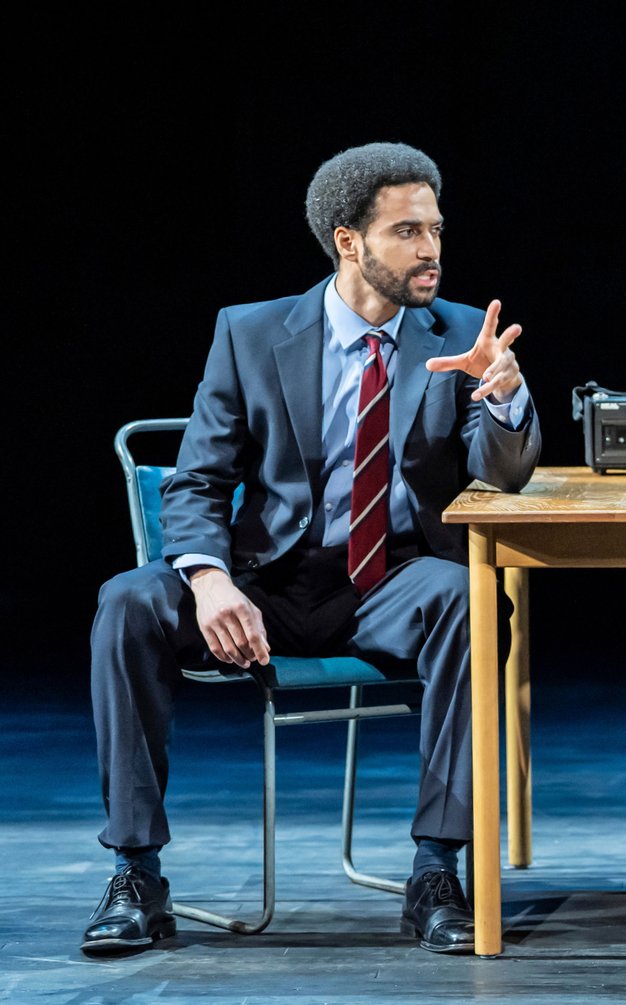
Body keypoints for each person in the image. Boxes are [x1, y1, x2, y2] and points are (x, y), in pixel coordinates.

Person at [83, 141, 540, 956]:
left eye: (436, 229)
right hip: (265, 584)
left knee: (473, 595)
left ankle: (437, 868)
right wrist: (210, 577)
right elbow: (196, 480)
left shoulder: (464, 332)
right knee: (127, 600)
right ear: (349, 240)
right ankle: (136, 872)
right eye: (407, 231)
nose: (431, 249)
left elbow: (502, 479)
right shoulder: (252, 333)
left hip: (391, 583)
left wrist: (505, 400)